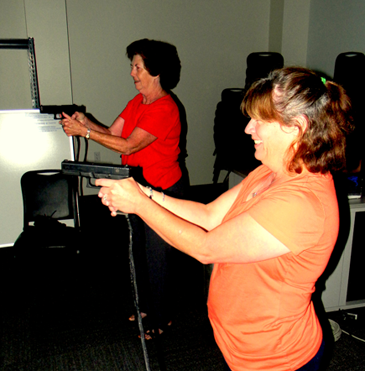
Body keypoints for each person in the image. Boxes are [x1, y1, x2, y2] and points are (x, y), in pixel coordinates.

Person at [95, 66, 353, 370]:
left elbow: (206, 248)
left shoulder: (302, 202)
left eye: (260, 121)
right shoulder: (272, 171)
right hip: (246, 347)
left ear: (296, 127)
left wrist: (138, 204)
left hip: (278, 359)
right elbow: (209, 215)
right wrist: (149, 194)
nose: (248, 129)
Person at [60, 38, 189, 338]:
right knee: (139, 250)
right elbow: (113, 134)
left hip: (164, 191)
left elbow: (130, 144)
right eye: (133, 66)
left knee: (158, 255)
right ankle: (147, 306)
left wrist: (86, 132)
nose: (132, 72)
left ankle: (162, 317)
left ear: (155, 71)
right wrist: (86, 122)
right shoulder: (138, 103)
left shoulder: (165, 109)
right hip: (138, 188)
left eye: (137, 67)